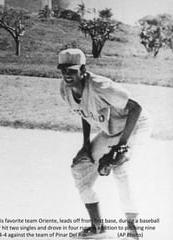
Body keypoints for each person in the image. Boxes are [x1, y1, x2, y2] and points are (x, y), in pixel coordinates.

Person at [58, 48, 152, 239]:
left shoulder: (100, 85)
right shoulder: (65, 89)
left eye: (72, 70)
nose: (67, 75)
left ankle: (132, 229)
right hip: (110, 130)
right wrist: (85, 145)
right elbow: (83, 113)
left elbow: (136, 108)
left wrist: (122, 147)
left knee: (120, 168)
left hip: (135, 126)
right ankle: (97, 226)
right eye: (63, 70)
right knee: (80, 167)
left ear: (83, 70)